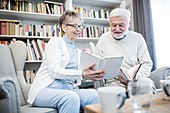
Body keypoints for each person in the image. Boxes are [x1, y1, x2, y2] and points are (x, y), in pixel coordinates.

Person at [27, 10, 105, 113]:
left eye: (80, 26)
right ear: (64, 27)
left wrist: (91, 74)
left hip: (68, 90)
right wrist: (81, 73)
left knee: (94, 95)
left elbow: (77, 76)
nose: (78, 30)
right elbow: (54, 71)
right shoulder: (55, 42)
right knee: (71, 98)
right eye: (75, 26)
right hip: (45, 90)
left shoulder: (77, 51)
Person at [95, 8, 156, 93]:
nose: (117, 29)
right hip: (114, 82)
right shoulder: (103, 38)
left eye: (121, 25)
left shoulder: (138, 38)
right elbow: (97, 63)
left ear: (129, 24)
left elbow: (147, 63)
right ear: (109, 24)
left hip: (136, 79)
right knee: (112, 93)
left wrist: (135, 78)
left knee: (147, 84)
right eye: (113, 25)